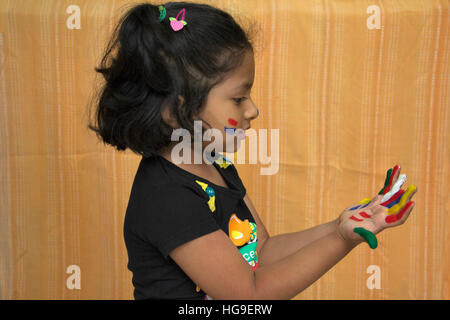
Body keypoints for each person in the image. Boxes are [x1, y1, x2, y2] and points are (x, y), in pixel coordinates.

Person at [88, 2, 417, 300]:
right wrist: (342, 241)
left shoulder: (213, 162)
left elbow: (262, 252)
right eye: (238, 98)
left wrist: (339, 226)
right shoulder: (166, 196)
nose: (254, 109)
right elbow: (249, 294)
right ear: (176, 110)